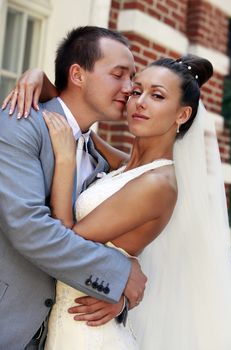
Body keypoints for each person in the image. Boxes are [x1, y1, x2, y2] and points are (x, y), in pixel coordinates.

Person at [6, 52, 231, 349]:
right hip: (69, 322)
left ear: (182, 115)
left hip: (89, 334)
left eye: (157, 96)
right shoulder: (129, 166)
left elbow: (66, 241)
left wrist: (65, 162)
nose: (140, 102)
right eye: (137, 91)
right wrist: (37, 76)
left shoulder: (157, 183)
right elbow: (78, 127)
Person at [0, 26, 148, 350]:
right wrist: (118, 273)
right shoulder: (19, 125)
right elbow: (29, 228)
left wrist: (116, 297)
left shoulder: (101, 159)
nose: (129, 88)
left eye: (132, 78)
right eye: (118, 75)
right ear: (78, 75)